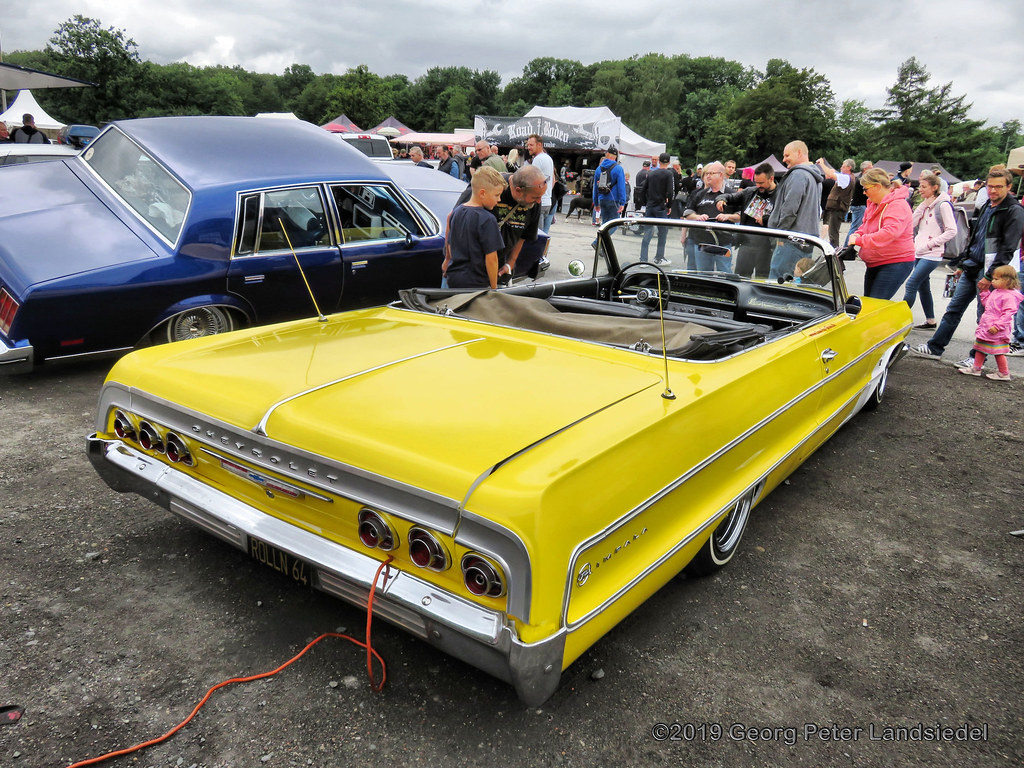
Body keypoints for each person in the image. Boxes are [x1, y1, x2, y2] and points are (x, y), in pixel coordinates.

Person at [913, 167, 1024, 362]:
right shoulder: (987, 205)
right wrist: (963, 263)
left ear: (1009, 186)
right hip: (972, 265)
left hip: (990, 272)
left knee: (986, 317)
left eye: (998, 187)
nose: (993, 190)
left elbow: (1008, 248)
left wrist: (990, 276)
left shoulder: (1014, 211)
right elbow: (975, 238)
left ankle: (977, 359)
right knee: (954, 309)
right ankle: (935, 348)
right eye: (990, 186)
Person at [452, 164, 547, 280]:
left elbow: (524, 235)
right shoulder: (491, 185)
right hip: (469, 268)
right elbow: (452, 219)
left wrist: (511, 263)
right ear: (518, 190)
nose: (539, 201)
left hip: (499, 266)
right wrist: (448, 258)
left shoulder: (534, 201)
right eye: (535, 197)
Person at [847, 167, 915, 300]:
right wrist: (858, 234)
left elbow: (889, 233)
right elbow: (865, 225)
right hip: (876, 261)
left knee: (874, 304)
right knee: (868, 303)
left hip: (895, 262)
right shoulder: (873, 204)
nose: (864, 193)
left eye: (866, 189)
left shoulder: (897, 205)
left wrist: (860, 240)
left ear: (877, 187)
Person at [902, 172, 957, 329]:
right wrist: (923, 206)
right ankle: (930, 320)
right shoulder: (925, 204)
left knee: (912, 283)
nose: (920, 190)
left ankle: (900, 320)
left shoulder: (944, 205)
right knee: (922, 286)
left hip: (932, 253)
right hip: (919, 251)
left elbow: (952, 230)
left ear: (935, 188)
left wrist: (930, 244)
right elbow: (911, 224)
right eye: (920, 186)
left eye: (924, 187)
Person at [441, 167, 507, 290]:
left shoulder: (457, 211)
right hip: (477, 283)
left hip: (454, 278)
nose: (499, 200)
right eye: (497, 195)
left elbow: (450, 243)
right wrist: (494, 288)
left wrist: (447, 260)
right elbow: (492, 258)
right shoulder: (487, 219)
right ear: (482, 193)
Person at [767, 140, 824, 279]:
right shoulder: (814, 177)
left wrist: (780, 235)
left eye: (787, 155)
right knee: (795, 283)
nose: (784, 159)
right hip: (805, 240)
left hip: (791, 240)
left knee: (778, 283)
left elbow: (790, 209)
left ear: (799, 153)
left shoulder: (798, 175)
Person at [956, 265, 1024, 381]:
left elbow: (1008, 314)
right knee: (980, 347)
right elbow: (988, 304)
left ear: (1007, 280)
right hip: (987, 325)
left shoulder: (1009, 296)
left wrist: (997, 326)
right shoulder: (997, 292)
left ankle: (1004, 373)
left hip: (996, 328)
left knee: (998, 351)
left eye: (996, 279)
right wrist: (984, 293)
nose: (993, 281)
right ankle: (976, 368)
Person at [716, 162, 778, 277]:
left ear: (771, 179)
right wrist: (721, 199)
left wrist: (766, 219)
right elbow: (731, 197)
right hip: (746, 243)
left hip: (768, 246)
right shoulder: (750, 191)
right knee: (740, 277)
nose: (758, 186)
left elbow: (784, 217)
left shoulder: (781, 195)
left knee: (763, 279)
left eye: (761, 183)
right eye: (756, 182)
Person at [684, 162, 738, 271]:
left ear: (721, 175)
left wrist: (727, 216)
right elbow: (687, 213)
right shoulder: (701, 194)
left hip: (723, 243)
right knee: (703, 276)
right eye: (707, 173)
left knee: (725, 273)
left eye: (711, 173)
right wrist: (697, 217)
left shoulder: (732, 194)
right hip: (702, 242)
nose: (707, 176)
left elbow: (741, 216)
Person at [639, 153, 675, 264]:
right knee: (662, 233)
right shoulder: (669, 174)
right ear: (669, 162)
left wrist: (646, 203)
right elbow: (671, 192)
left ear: (659, 161)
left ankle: (643, 259)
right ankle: (659, 258)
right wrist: (669, 206)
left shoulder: (651, 174)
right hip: (661, 206)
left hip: (650, 206)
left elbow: (642, 190)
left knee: (647, 233)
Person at [818, 158, 855, 247]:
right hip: (837, 207)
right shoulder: (847, 177)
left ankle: (834, 253)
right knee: (833, 232)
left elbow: (831, 174)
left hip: (838, 208)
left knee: (833, 233)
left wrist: (822, 164)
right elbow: (831, 175)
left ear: (849, 167)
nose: (841, 167)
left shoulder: (846, 177)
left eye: (843, 166)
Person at [592, 146, 627, 240]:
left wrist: (596, 202)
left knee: (605, 224)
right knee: (614, 225)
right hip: (613, 199)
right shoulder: (618, 168)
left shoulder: (599, 169)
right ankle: (597, 242)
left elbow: (595, 187)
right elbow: (621, 187)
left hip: (602, 199)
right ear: (616, 157)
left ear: (607, 154)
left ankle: (601, 248)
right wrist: (622, 202)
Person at [525, 134, 555, 232]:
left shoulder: (538, 159)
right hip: (547, 202)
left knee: (536, 236)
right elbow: (552, 180)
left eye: (531, 145)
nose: (528, 147)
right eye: (528, 145)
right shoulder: (548, 158)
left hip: (539, 202)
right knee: (543, 234)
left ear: (539, 145)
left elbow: (533, 182)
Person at [843, 161, 873, 246]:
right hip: (860, 206)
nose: (872, 168)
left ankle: (848, 247)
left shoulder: (860, 177)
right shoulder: (862, 180)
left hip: (858, 205)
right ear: (865, 169)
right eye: (871, 167)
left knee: (855, 227)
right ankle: (846, 247)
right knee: (855, 228)